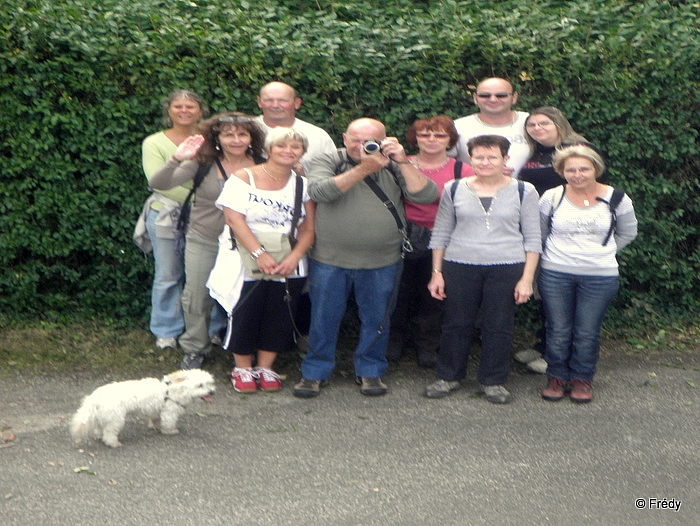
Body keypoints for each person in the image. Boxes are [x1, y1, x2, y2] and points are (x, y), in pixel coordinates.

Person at [293, 118, 439, 398]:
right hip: (330, 259)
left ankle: (370, 370)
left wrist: (404, 162)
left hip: (383, 260)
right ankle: (314, 372)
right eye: (356, 140)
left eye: (369, 140)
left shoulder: (394, 163)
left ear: (384, 140)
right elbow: (320, 192)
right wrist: (365, 168)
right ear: (345, 138)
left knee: (377, 319)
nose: (362, 146)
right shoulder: (329, 159)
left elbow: (427, 195)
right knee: (323, 318)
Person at [424, 135, 541, 404]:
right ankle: (448, 376)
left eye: (492, 157)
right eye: (479, 157)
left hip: (506, 265)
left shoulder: (525, 191)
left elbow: (533, 238)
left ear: (505, 159)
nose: (485, 162)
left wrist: (527, 279)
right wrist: (437, 272)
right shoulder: (454, 188)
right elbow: (441, 232)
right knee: (456, 323)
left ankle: (494, 380)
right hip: (460, 264)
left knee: (498, 325)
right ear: (470, 158)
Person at [149, 113, 266, 369]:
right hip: (205, 238)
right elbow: (158, 182)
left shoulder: (263, 163)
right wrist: (177, 158)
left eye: (242, 134)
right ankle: (195, 348)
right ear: (217, 137)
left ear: (251, 138)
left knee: (248, 296)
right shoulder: (202, 163)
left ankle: (246, 346)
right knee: (197, 294)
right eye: (228, 134)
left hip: (247, 242)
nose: (235, 140)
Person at [216, 127, 315, 393]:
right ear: (268, 149)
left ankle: (266, 367)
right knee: (245, 309)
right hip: (244, 256)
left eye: (295, 147)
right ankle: (242, 368)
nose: (288, 151)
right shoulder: (243, 177)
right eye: (281, 146)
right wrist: (259, 254)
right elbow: (233, 218)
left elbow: (308, 228)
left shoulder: (302, 184)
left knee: (280, 311)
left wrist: (294, 257)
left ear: (302, 152)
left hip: (288, 258)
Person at [538, 145, 637, 403]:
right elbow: (540, 234)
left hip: (600, 275)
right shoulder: (552, 197)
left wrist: (603, 252)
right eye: (570, 169)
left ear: (596, 168)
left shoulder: (617, 198)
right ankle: (556, 376)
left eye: (584, 168)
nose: (577, 174)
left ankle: (582, 378)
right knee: (558, 329)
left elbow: (628, 232)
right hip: (555, 272)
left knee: (587, 331)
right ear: (561, 171)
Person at [515, 106, 610, 374]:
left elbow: (595, 186)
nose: (537, 129)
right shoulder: (535, 152)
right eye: (532, 125)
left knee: (563, 293)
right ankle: (545, 343)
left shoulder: (577, 148)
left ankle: (560, 355)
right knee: (545, 289)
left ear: (559, 123)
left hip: (568, 227)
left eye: (544, 123)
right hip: (537, 225)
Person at [387, 116, 474, 368]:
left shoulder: (462, 170)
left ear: (450, 140)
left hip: (445, 241)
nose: (432, 140)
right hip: (403, 239)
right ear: (415, 139)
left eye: (439, 135)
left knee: (435, 297)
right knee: (397, 294)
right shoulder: (398, 164)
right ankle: (393, 342)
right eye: (425, 135)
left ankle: (428, 346)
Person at [135, 89, 213, 351]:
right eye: (178, 106)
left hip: (205, 216)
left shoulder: (210, 140)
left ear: (200, 111)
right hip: (165, 214)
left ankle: (211, 329)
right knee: (168, 275)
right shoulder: (154, 142)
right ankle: (166, 331)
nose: (184, 111)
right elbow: (160, 182)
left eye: (190, 106)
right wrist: (201, 193)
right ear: (169, 110)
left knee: (206, 276)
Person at [255, 81, 336, 175]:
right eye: (269, 100)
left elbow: (332, 175)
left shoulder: (317, 136)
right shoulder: (244, 131)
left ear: (297, 103)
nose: (275, 105)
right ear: (259, 102)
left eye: (283, 100)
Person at [454, 77, 530, 178]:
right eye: (485, 95)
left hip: (527, 191)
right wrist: (484, 171)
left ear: (514, 97)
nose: (493, 99)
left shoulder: (531, 123)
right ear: (475, 98)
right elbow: (441, 163)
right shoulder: (458, 127)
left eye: (501, 95)